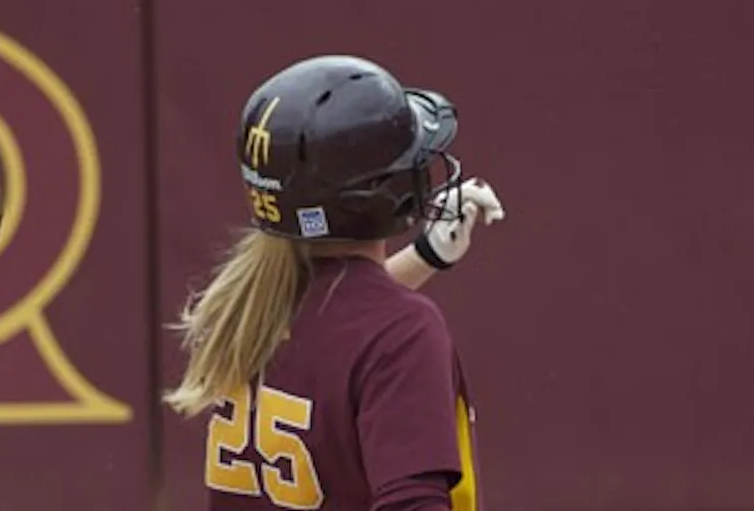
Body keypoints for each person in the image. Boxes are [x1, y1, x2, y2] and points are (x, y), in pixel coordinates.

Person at [165, 54, 506, 511]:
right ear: (383, 192)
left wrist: (426, 257)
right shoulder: (403, 329)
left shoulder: (250, 308)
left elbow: (341, 324)